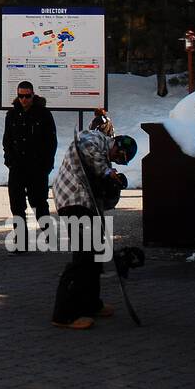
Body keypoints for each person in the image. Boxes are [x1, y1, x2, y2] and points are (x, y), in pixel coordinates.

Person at [50, 126, 138, 328]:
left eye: (120, 161)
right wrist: (107, 173)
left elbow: (103, 197)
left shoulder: (103, 161)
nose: (116, 160)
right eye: (118, 156)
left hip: (87, 205)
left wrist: (112, 188)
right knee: (83, 257)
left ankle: (90, 303)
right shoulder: (95, 138)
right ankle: (64, 313)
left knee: (97, 255)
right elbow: (84, 143)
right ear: (117, 145)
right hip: (73, 201)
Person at [2, 80, 57, 251]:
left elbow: (51, 142)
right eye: (20, 96)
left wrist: (47, 165)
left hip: (37, 167)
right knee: (16, 204)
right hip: (17, 166)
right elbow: (7, 139)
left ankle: (49, 235)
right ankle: (21, 241)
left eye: (27, 96)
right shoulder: (12, 115)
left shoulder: (43, 114)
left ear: (33, 95)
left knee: (39, 202)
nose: (24, 99)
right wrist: (9, 159)